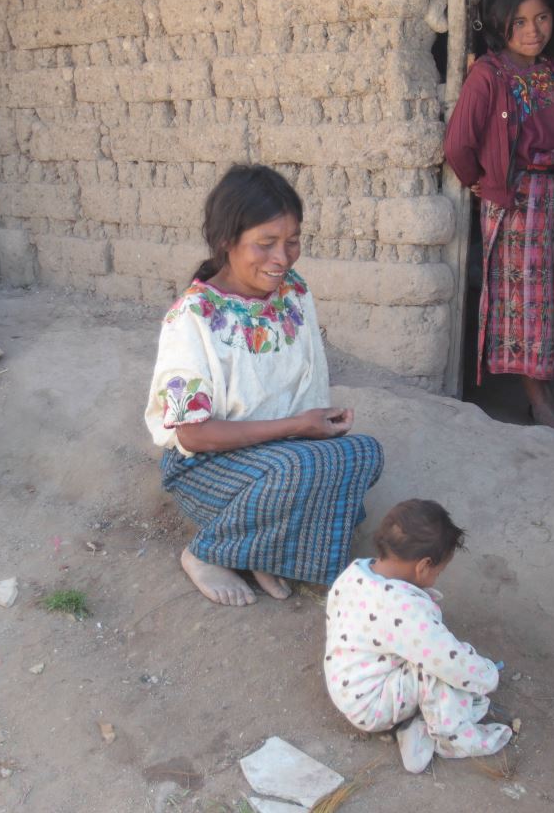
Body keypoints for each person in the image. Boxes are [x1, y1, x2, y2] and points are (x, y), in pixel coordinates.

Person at [145, 164, 384, 607]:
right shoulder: (192, 318)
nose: (283, 257)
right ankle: (205, 553)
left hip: (283, 453)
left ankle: (264, 551)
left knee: (364, 454)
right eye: (266, 243)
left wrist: (316, 424)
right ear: (225, 241)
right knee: (300, 470)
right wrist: (296, 428)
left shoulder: (293, 293)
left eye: (292, 241)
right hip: (206, 468)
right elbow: (192, 434)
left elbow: (305, 384)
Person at [444, 0, 554, 430]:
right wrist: (481, 181)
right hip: (517, 201)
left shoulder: (549, 70)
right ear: (499, 23)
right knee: (526, 302)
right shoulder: (488, 76)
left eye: (542, 18)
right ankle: (538, 404)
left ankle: (548, 395)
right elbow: (458, 144)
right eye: (519, 22)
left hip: (552, 197)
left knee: (553, 298)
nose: (533, 30)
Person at [324, 499, 512, 773]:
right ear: (423, 566)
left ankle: (414, 725)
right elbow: (449, 660)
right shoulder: (404, 609)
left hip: (345, 684)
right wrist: (485, 675)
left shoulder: (356, 573)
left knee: (426, 655)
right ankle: (454, 739)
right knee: (435, 669)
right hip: (372, 706)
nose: (438, 575)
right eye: (440, 569)